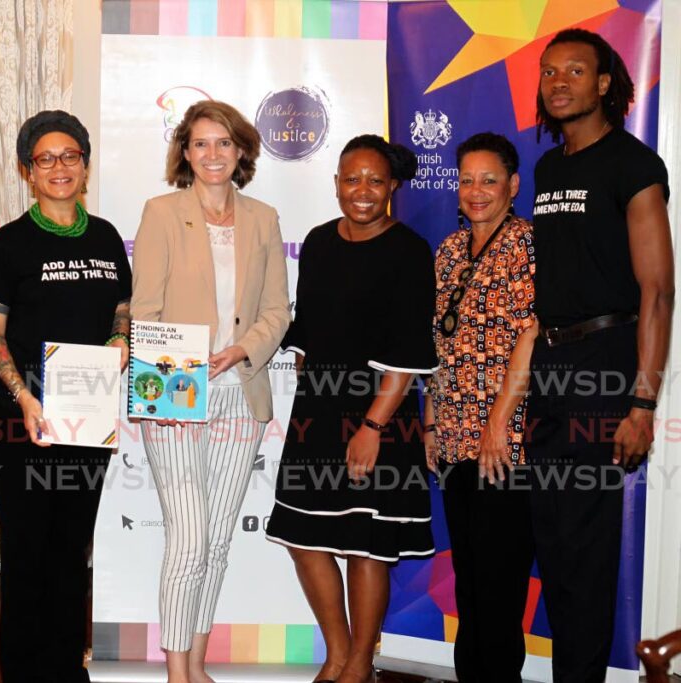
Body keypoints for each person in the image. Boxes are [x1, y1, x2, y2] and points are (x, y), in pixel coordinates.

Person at [529, 28, 673, 682]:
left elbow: (658, 290)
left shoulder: (632, 164)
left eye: (575, 71)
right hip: (549, 370)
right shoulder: (550, 167)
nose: (559, 82)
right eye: (550, 71)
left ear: (604, 82)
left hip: (606, 368)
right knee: (555, 544)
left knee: (585, 546)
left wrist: (642, 400)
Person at [265, 135, 436, 683]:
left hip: (378, 415)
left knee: (367, 545)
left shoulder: (409, 250)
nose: (362, 191)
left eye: (375, 181)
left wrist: (371, 427)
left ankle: (361, 662)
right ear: (336, 181)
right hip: (319, 408)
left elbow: (409, 355)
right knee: (301, 535)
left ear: (393, 188)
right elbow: (309, 330)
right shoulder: (317, 242)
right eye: (351, 178)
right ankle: (337, 653)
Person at [131, 100, 290, 683]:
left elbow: (277, 308)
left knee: (218, 541)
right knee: (189, 538)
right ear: (185, 153)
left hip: (240, 393)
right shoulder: (162, 212)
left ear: (242, 149)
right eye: (201, 144)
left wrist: (246, 347)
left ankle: (197, 664)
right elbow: (145, 310)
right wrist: (173, 376)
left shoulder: (264, 218)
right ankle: (176, 671)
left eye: (224, 142)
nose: (213, 154)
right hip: (174, 389)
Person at [0, 110, 132, 683]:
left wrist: (119, 337)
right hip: (23, 415)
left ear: (85, 165)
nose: (59, 167)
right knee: (26, 546)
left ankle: (66, 667)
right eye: (46, 158)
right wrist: (22, 397)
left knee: (71, 547)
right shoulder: (9, 244)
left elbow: (121, 306)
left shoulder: (107, 236)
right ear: (27, 171)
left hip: (88, 414)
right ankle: (22, 670)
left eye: (70, 156)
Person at [424, 132, 537, 683]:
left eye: (489, 180)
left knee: (498, 586)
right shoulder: (447, 251)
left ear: (513, 186)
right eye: (467, 179)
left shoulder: (528, 245)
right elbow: (437, 346)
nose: (476, 190)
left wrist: (498, 421)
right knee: (469, 580)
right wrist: (429, 420)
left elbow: (532, 335)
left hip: (505, 443)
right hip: (452, 437)